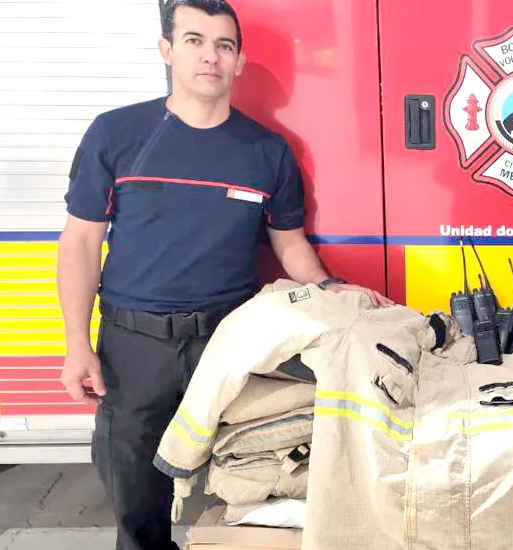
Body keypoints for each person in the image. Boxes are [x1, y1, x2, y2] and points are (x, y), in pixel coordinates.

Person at [56, 2, 391, 549]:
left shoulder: (267, 151)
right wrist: (76, 344)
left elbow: (288, 243)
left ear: (238, 62)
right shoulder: (117, 135)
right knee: (137, 505)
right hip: (135, 346)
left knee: (252, 488)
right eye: (193, 41)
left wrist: (330, 290)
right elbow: (81, 243)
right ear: (166, 51)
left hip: (231, 342)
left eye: (223, 45)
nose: (209, 56)